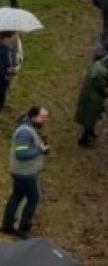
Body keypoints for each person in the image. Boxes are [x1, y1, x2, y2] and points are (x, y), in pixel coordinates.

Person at [1, 106, 49, 239]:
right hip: (25, 173)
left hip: (22, 171)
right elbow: (21, 154)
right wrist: (39, 150)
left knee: (16, 196)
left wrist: (42, 149)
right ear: (33, 117)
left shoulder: (30, 128)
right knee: (34, 198)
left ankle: (7, 225)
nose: (44, 120)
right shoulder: (24, 132)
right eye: (42, 117)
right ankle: (22, 228)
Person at [75, 45, 108, 146]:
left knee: (92, 118)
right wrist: (106, 94)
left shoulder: (98, 65)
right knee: (90, 118)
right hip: (93, 98)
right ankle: (83, 140)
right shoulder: (101, 71)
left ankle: (90, 132)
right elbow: (100, 86)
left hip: (90, 95)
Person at [0, 32, 19, 112]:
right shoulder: (3, 50)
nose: (13, 41)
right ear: (5, 38)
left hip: (4, 81)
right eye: (12, 38)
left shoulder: (6, 48)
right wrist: (9, 71)